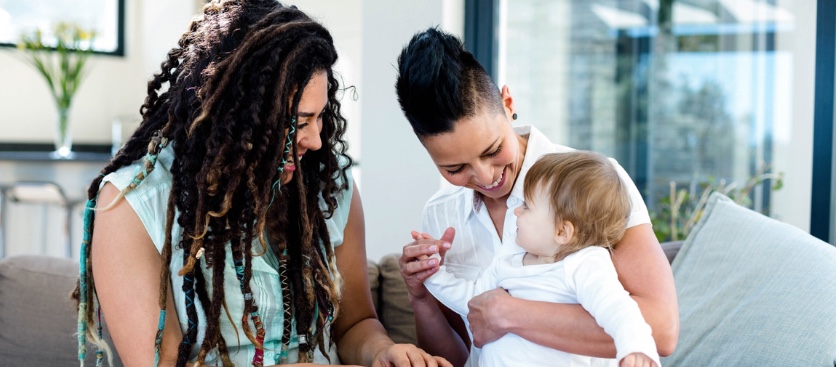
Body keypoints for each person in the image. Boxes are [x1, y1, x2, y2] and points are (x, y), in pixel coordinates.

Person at [73, 2, 451, 367]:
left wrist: (381, 351)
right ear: (236, 118)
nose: (316, 140)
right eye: (299, 123)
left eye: (320, 118)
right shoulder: (132, 203)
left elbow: (355, 325)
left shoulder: (328, 185)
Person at [395, 27, 678, 367]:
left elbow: (660, 332)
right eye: (455, 168)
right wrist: (421, 293)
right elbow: (455, 358)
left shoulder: (592, 185)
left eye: (493, 149)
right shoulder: (441, 215)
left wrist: (510, 314)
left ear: (508, 104)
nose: (485, 177)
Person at [423, 151, 660, 367]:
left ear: (562, 232)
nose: (515, 210)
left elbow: (617, 308)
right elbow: (472, 300)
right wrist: (433, 272)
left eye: (527, 206)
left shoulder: (585, 264)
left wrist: (637, 348)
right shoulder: (508, 260)